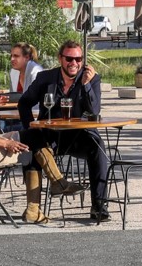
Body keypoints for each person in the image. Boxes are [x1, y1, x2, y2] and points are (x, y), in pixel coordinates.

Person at [0, 49, 80, 225]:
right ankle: (54, 187)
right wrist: (7, 144)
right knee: (34, 145)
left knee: (34, 138)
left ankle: (51, 191)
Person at [18, 40, 111, 221]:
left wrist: (86, 85)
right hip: (50, 135)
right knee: (31, 139)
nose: (74, 63)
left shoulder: (92, 78)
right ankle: (34, 209)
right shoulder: (46, 78)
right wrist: (30, 123)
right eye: (69, 58)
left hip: (78, 135)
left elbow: (94, 111)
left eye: (78, 59)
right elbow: (24, 103)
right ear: (61, 58)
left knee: (98, 147)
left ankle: (99, 206)